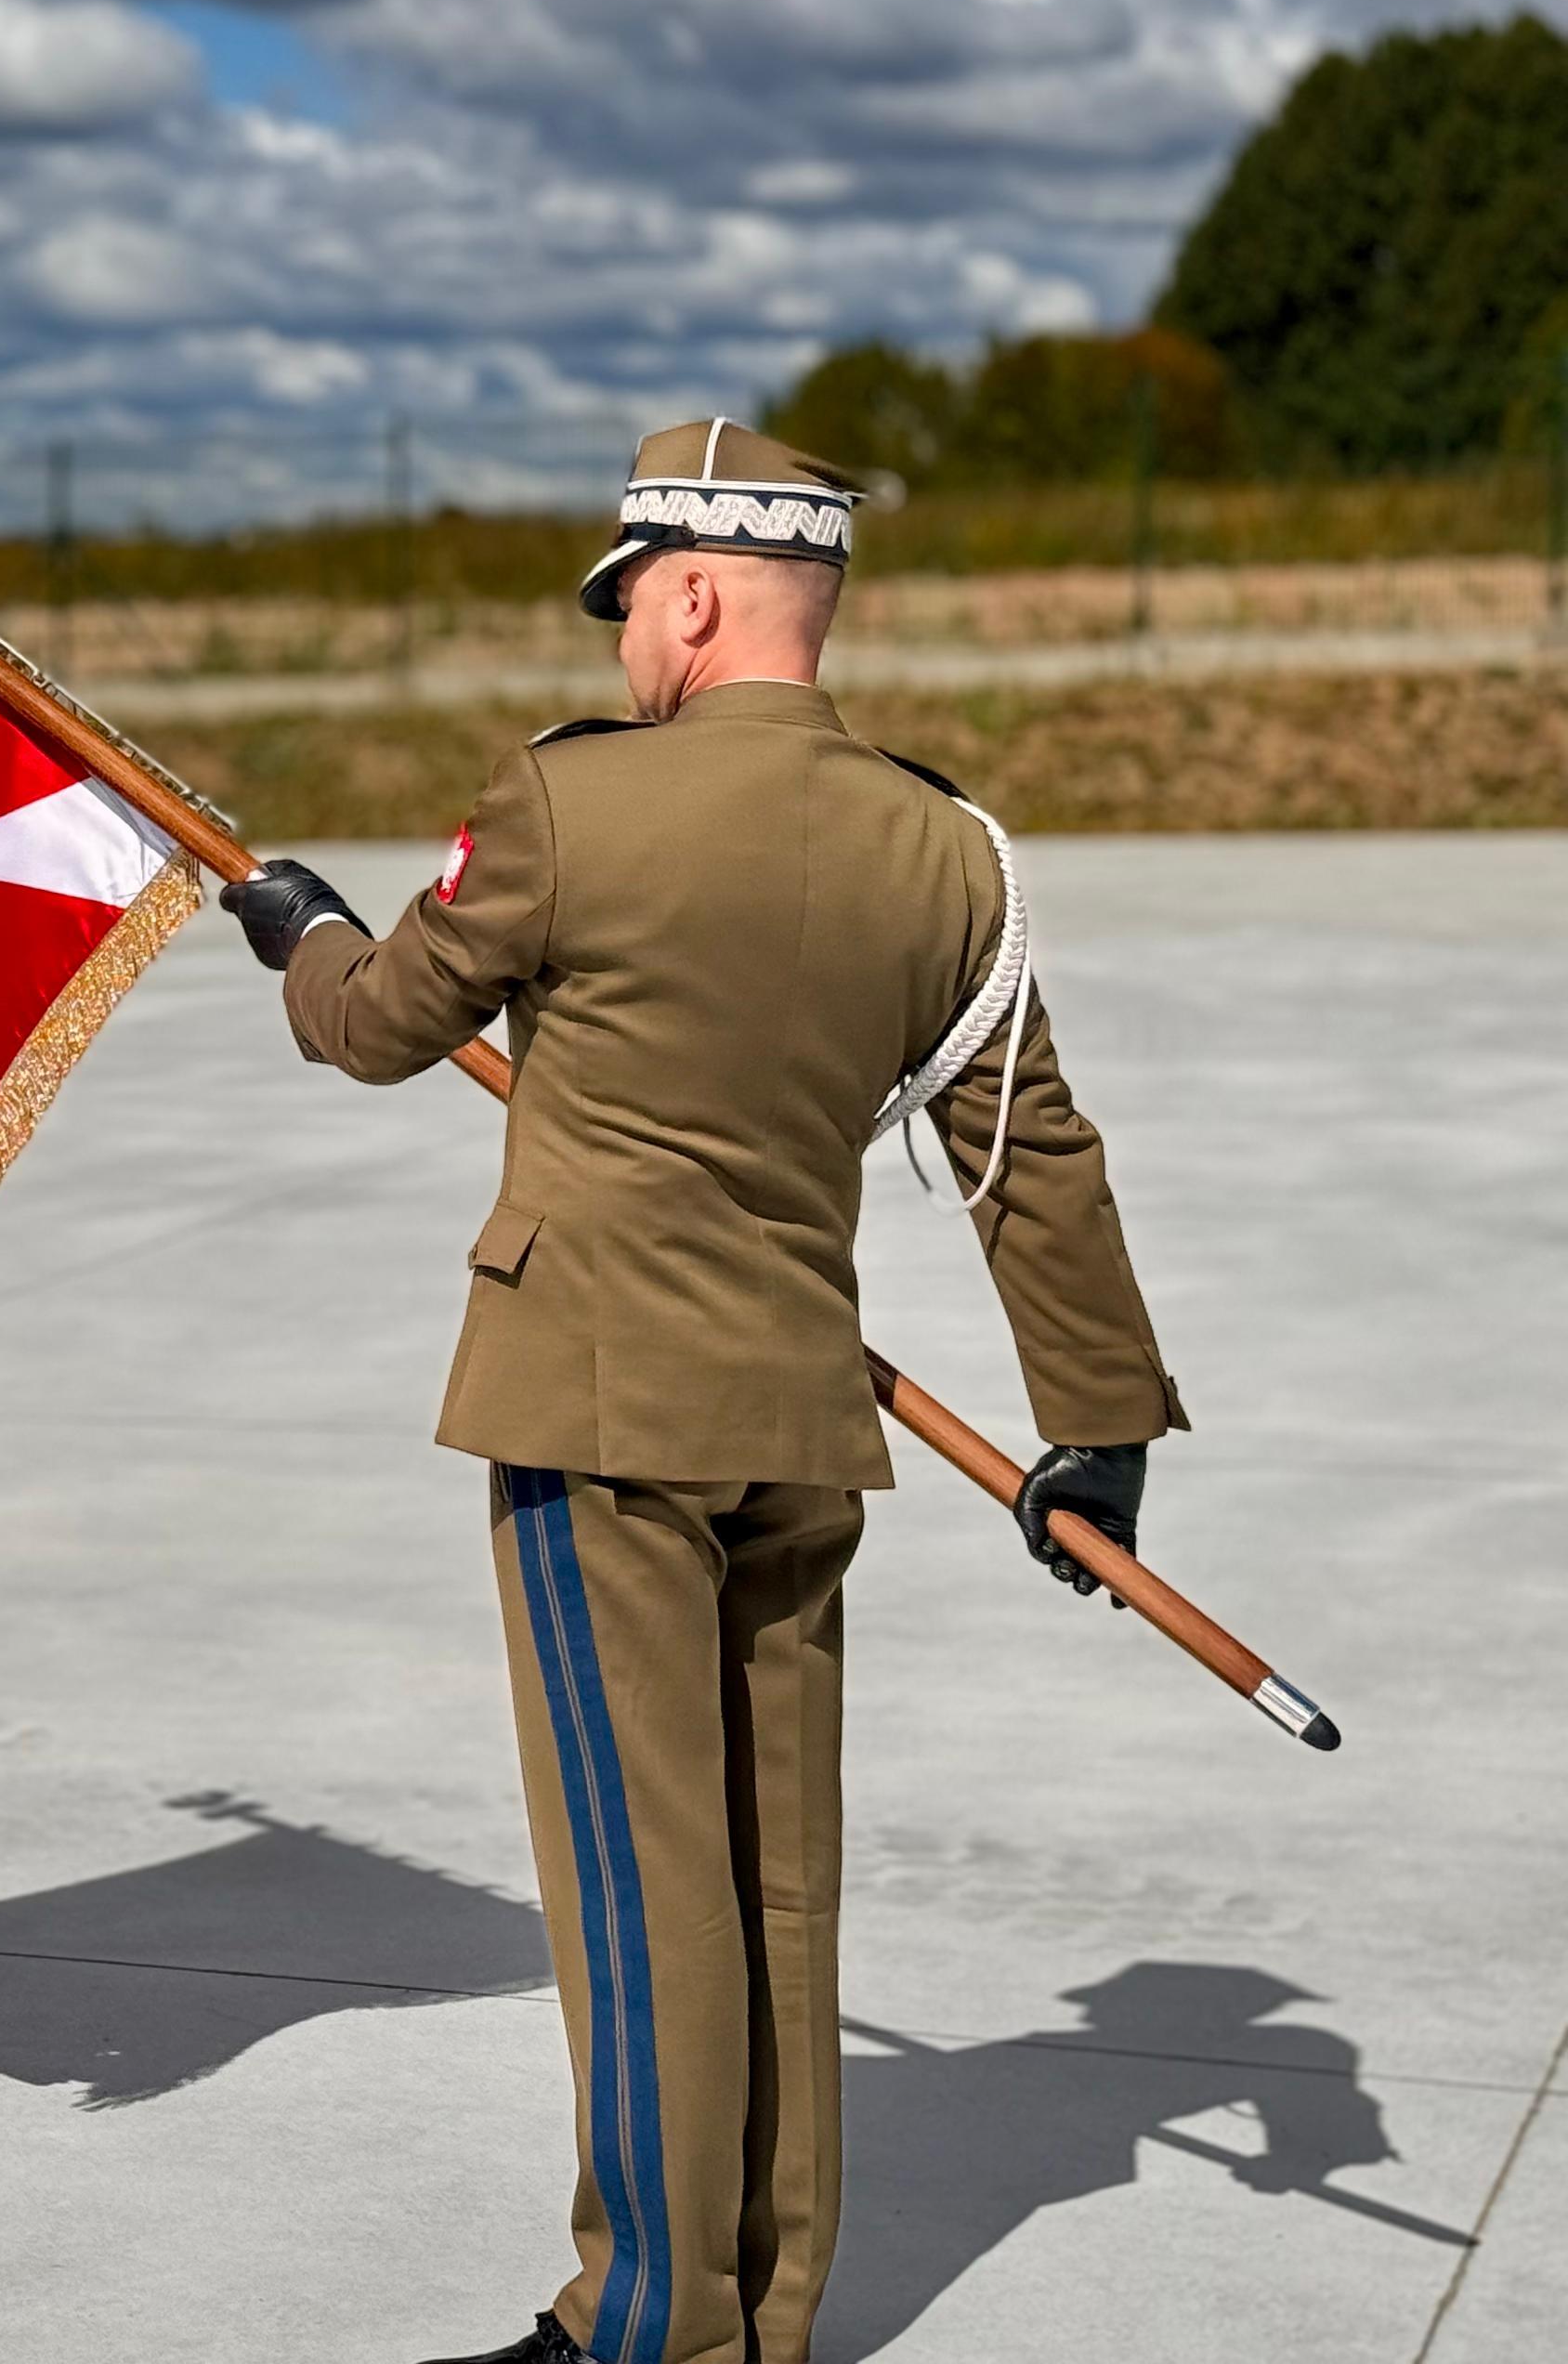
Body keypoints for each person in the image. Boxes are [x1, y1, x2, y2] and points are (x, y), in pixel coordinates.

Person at [218, 418, 1187, 2364]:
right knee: (775, 1887)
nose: (618, 646)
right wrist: (1094, 1429)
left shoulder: (571, 803)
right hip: (801, 1420)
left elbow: (376, 1028)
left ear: (692, 595)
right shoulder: (945, 850)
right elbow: (1030, 1153)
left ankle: (650, 2325)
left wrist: (301, 930)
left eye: (626, 607)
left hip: (598, 1419)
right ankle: (766, 2310)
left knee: (640, 1886)